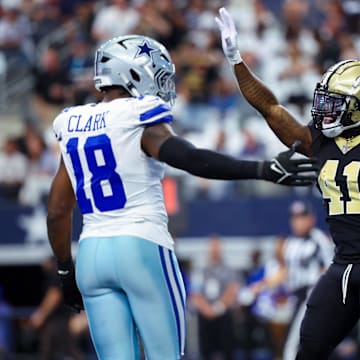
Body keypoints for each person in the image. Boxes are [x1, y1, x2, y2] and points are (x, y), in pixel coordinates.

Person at [46, 34, 317, 360]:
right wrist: (261, 169)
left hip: (90, 253)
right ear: (133, 73)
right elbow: (190, 158)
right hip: (140, 245)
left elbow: (58, 211)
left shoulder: (72, 122)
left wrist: (65, 270)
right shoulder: (137, 114)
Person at [215, 7, 360, 359]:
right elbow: (272, 109)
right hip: (344, 265)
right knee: (306, 349)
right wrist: (237, 61)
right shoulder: (322, 141)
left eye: (335, 103)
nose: (324, 110)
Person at [250, 200, 333, 360]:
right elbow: (285, 271)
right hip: (297, 295)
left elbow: (330, 270)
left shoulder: (319, 240)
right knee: (306, 344)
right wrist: (262, 285)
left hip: (313, 294)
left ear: (311, 219)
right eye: (294, 218)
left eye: (302, 217)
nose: (298, 222)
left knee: (292, 344)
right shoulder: (290, 243)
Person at [190, 235, 239, 360]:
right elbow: (195, 293)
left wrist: (218, 308)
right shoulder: (201, 271)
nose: (214, 251)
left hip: (223, 316)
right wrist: (207, 310)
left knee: (227, 350)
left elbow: (233, 290)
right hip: (205, 317)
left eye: (217, 247)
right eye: (212, 247)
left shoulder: (228, 270)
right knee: (205, 351)